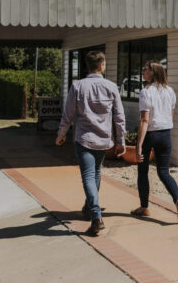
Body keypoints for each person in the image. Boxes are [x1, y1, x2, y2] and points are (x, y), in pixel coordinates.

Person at [56, 51, 126, 236]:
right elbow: (119, 117)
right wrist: (121, 141)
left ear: (88, 66)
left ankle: (96, 216)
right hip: (103, 140)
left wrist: (61, 133)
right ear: (102, 65)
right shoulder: (111, 87)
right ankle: (89, 207)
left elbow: (68, 113)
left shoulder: (77, 86)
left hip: (85, 138)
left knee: (88, 175)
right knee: (95, 174)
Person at [131, 60, 178, 223]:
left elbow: (144, 120)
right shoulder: (170, 91)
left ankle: (144, 207)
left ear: (153, 73)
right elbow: (170, 114)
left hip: (151, 134)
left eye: (145, 69)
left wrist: (139, 145)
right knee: (163, 172)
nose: (143, 72)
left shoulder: (145, 92)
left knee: (142, 171)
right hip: (165, 134)